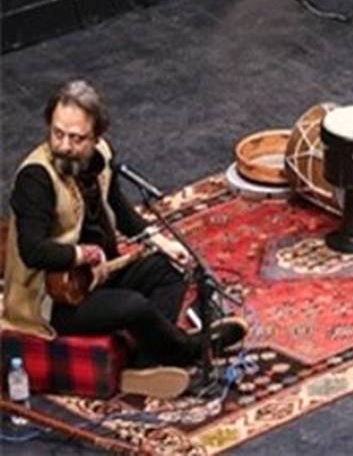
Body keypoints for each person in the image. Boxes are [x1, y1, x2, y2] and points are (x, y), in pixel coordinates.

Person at [2, 80, 247, 399]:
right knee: (134, 307)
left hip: (98, 275)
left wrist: (159, 240)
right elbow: (32, 251)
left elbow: (118, 208)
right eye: (57, 134)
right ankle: (187, 349)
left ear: (96, 136)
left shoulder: (101, 157)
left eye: (76, 138)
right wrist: (81, 254)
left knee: (168, 270)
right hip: (52, 301)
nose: (64, 146)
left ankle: (145, 363)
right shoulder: (35, 179)